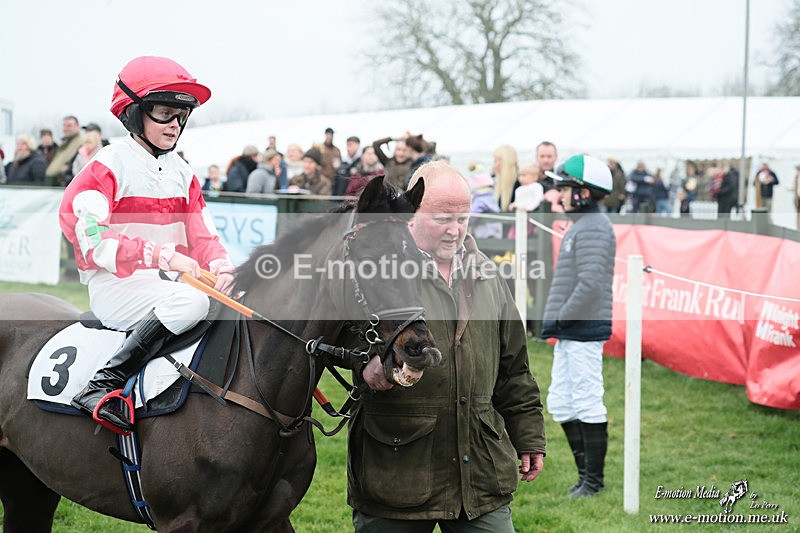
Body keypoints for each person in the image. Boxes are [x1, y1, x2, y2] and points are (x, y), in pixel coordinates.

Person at [349, 161, 546, 532]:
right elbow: (335, 341)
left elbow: (514, 369)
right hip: (397, 474)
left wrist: (529, 436)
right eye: (442, 219)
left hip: (479, 476)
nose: (455, 230)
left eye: (463, 219)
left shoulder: (489, 276)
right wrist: (364, 364)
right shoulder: (377, 270)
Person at [59, 55, 235, 433]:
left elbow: (203, 236)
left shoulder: (183, 172)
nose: (175, 125)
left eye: (181, 116)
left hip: (165, 287)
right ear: (134, 113)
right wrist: (162, 255)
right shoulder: (106, 165)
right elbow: (92, 239)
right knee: (194, 302)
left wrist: (222, 266)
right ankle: (102, 384)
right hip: (116, 287)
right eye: (165, 114)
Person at [541, 154, 616, 499]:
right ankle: (585, 478)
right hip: (573, 330)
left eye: (565, 188)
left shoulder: (594, 227)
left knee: (587, 401)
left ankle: (593, 483)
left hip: (583, 330)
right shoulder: (582, 224)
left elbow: (590, 284)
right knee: (560, 402)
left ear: (584, 193)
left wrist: (560, 318)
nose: (560, 195)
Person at [45, 115, 84, 186]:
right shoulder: (64, 144)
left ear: (78, 127)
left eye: (69, 126)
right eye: (64, 125)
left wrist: (61, 171)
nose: (65, 128)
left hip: (64, 184)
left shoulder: (81, 143)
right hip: (52, 184)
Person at [468, 172, 503, 239]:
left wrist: (463, 221)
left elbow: (472, 215)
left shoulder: (481, 200)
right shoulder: (491, 198)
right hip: (495, 231)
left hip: (485, 233)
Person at [492, 144, 518, 212]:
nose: (494, 165)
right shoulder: (497, 183)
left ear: (504, 162)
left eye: (495, 161)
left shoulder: (519, 185)